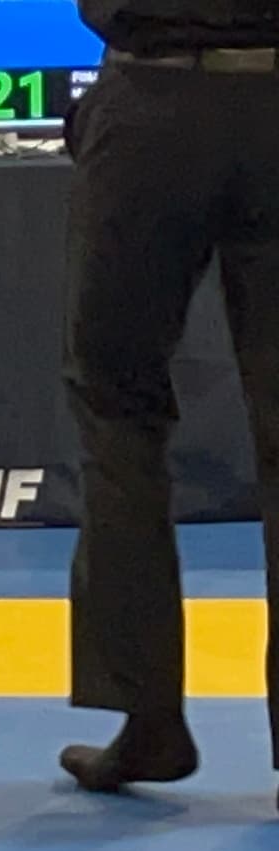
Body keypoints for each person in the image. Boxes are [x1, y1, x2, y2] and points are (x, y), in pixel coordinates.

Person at [55, 3, 279, 804]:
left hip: (153, 102)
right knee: (117, 400)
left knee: (118, 406)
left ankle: (145, 714)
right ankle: (145, 718)